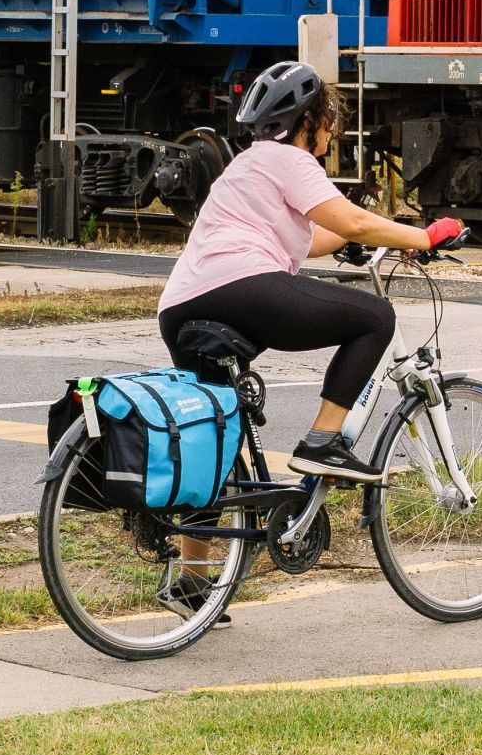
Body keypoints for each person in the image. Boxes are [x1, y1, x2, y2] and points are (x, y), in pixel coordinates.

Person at [156, 60, 460, 486]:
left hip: (179, 305)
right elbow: (351, 222)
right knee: (376, 318)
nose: (331, 131)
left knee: (216, 441)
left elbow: (318, 236)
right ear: (308, 121)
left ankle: (201, 553)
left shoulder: (243, 167)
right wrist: (424, 236)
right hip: (243, 289)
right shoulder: (293, 161)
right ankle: (322, 443)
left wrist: (375, 230)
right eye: (329, 120)